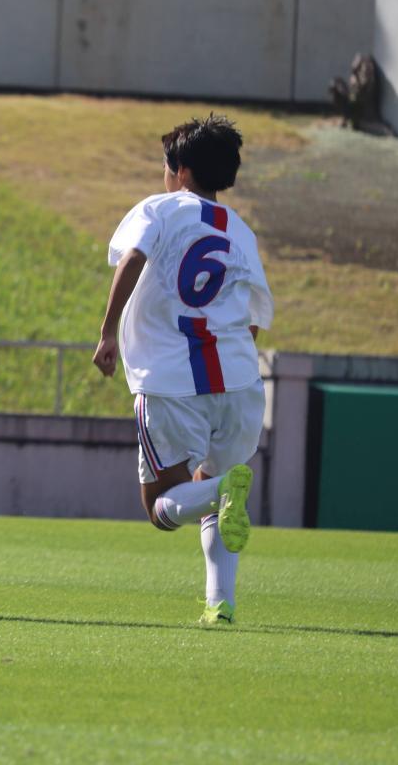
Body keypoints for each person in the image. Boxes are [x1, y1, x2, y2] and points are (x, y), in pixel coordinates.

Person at [92, 114, 273, 627]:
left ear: (182, 171)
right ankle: (220, 604)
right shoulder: (241, 232)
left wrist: (107, 332)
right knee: (219, 496)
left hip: (170, 381)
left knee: (162, 507)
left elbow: (133, 257)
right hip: (240, 384)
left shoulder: (161, 208)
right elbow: (255, 317)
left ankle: (220, 490)